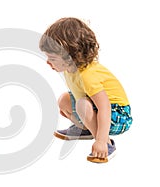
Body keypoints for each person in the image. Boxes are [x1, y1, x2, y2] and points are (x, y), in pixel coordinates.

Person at [39, 17, 133, 163]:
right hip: (97, 108)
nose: (48, 62)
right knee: (64, 100)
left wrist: (101, 141)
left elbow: (105, 107)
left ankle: (106, 144)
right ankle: (87, 129)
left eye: (52, 58)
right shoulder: (69, 70)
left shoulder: (88, 76)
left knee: (82, 104)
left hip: (117, 115)